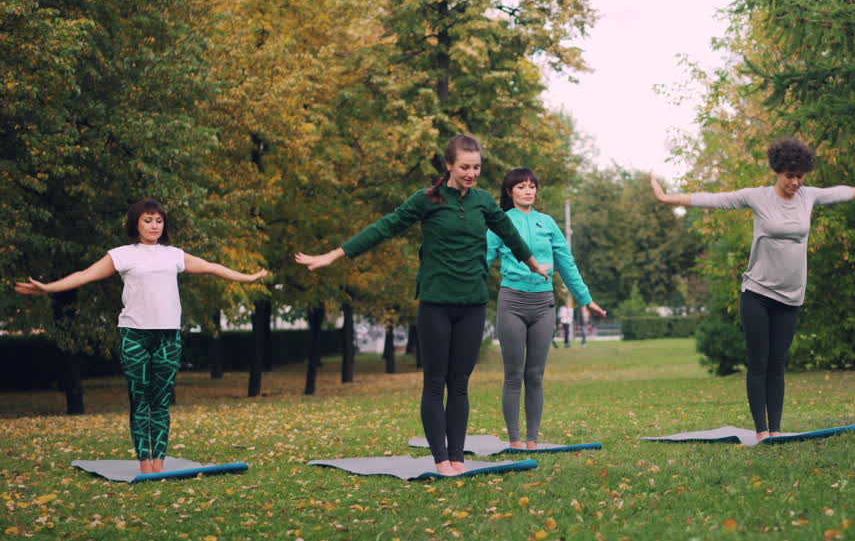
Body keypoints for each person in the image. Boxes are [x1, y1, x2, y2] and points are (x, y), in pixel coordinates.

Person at [295, 135, 550, 476]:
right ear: (448, 165)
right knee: (435, 381)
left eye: (476, 167)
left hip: (473, 304)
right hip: (435, 304)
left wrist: (534, 264)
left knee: (460, 383)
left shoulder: (484, 203)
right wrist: (336, 253)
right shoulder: (426, 200)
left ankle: (457, 458)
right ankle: (440, 459)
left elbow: (510, 235)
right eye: (465, 167)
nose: (472, 173)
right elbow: (383, 228)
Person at [651, 138, 855, 441]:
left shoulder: (808, 196)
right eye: (790, 176)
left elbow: (836, 192)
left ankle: (776, 429)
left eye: (800, 176)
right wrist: (669, 198)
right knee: (759, 362)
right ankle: (761, 431)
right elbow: (715, 199)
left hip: (791, 295)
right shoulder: (758, 197)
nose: (796, 182)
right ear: (777, 172)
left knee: (778, 365)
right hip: (758, 293)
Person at [14, 199, 267, 474]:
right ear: (136, 223)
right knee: (139, 400)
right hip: (134, 334)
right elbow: (84, 275)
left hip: (168, 335)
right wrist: (49, 287)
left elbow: (212, 266)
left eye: (158, 221)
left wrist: (247, 278)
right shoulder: (122, 254)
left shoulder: (174, 255)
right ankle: (145, 464)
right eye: (148, 220)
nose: (154, 225)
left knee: (160, 402)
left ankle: (160, 464)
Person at [487, 167, 606, 450]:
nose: (528, 191)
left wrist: (586, 299)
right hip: (512, 302)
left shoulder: (548, 223)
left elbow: (567, 264)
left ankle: (532, 440)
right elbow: (483, 258)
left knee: (536, 375)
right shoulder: (501, 222)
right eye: (521, 187)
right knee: (514, 375)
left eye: (531, 186)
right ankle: (515, 440)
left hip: (543, 305)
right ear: (510, 192)